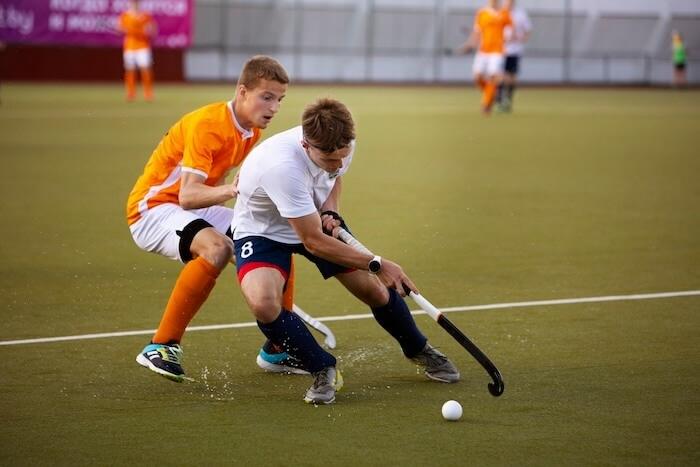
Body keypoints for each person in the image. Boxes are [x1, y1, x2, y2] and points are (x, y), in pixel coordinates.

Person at [231, 98, 460, 405]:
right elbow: (312, 241)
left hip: (312, 216)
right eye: (329, 159)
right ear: (306, 145)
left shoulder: (341, 143)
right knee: (263, 302)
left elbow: (333, 179)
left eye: (344, 155)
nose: (338, 164)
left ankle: (419, 349)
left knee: (375, 292)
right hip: (263, 231)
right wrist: (378, 264)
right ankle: (322, 368)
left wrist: (331, 209)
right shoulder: (281, 168)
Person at [127, 55, 289, 382]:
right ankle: (161, 345)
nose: (273, 107)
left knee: (273, 237)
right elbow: (188, 195)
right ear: (242, 91)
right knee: (217, 250)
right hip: (154, 208)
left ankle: (281, 344)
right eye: (266, 97)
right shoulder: (209, 124)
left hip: (193, 207)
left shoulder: (250, 132)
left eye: (280, 100)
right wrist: (234, 190)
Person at [457, 0, 512, 114]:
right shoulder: (482, 13)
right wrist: (469, 45)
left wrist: (507, 39)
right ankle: (492, 93)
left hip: (497, 51)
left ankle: (486, 104)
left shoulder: (504, 13)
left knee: (493, 76)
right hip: (483, 50)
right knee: (477, 77)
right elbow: (477, 32)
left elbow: (509, 32)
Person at [117, 0, 157, 101]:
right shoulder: (125, 15)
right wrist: (126, 30)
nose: (135, 4)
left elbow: (153, 30)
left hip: (143, 46)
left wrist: (145, 31)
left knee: (145, 69)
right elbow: (119, 28)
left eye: (137, 2)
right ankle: (131, 93)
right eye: (133, 2)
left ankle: (148, 93)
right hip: (129, 47)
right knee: (130, 70)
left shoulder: (145, 16)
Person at [497, 0, 531, 112]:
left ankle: (508, 100)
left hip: (515, 51)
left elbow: (528, 31)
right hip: (501, 50)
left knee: (512, 76)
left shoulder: (521, 14)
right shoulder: (500, 13)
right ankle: (500, 99)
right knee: (501, 75)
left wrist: (520, 38)